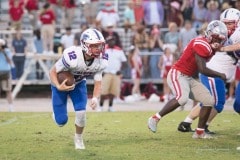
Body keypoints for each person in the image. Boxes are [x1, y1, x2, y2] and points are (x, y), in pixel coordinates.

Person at [147, 20, 228, 139]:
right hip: (178, 74)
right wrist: (220, 75)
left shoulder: (209, 47)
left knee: (208, 101)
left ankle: (199, 132)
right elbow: (202, 69)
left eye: (220, 40)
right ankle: (155, 118)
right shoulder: (202, 44)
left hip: (189, 77)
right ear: (209, 35)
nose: (217, 42)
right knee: (182, 98)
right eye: (216, 39)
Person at [178, 8, 240, 134]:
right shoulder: (219, 34)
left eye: (230, 23)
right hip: (213, 72)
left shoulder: (235, 33)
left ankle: (186, 122)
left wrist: (223, 49)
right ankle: (203, 127)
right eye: (225, 23)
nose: (227, 26)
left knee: (207, 101)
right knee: (217, 103)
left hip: (215, 72)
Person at [49, 28, 108, 149]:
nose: (98, 49)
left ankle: (79, 139)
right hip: (61, 85)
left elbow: (98, 83)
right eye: (95, 45)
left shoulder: (101, 60)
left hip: (79, 84)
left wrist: (95, 98)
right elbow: (52, 72)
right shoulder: (73, 56)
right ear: (85, 45)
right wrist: (58, 85)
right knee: (61, 122)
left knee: (81, 113)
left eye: (100, 45)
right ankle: (57, 115)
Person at [98, 36, 127, 112]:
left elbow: (124, 62)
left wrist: (120, 71)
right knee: (103, 92)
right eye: (110, 40)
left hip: (116, 74)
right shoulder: (103, 50)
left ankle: (110, 107)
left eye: (113, 40)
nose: (112, 42)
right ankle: (100, 106)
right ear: (107, 42)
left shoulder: (119, 50)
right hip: (106, 73)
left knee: (113, 92)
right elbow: (98, 61)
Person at [0, 39, 14, 112]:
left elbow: (9, 61)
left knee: (8, 90)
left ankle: (11, 107)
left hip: (6, 72)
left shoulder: (7, 51)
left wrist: (4, 52)